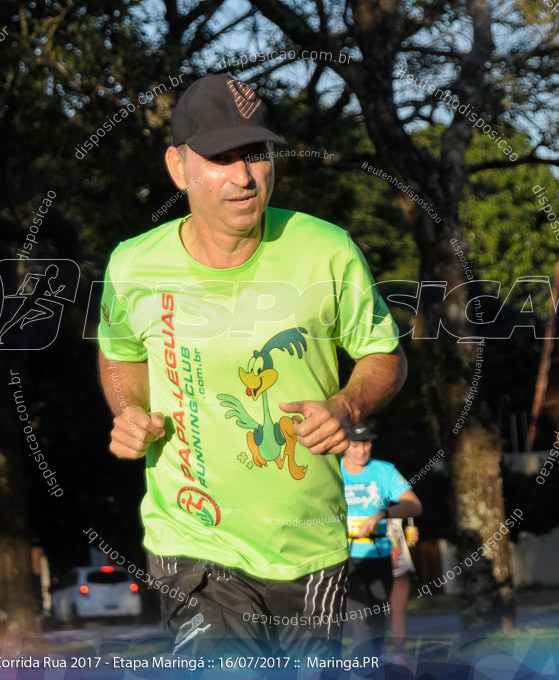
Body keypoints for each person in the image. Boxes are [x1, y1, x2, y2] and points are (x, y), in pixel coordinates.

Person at [97, 73, 406, 659]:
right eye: (220, 158)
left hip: (308, 546)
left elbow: (382, 353)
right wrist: (128, 409)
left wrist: (347, 404)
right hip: (192, 539)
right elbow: (120, 352)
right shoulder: (134, 265)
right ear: (178, 167)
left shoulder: (327, 249)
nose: (242, 178)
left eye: (256, 156)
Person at [341, 423, 421, 660]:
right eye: (355, 444)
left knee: (376, 627)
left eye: (366, 443)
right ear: (344, 445)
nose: (362, 450)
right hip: (347, 559)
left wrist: (382, 514)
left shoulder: (384, 471)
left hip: (380, 557)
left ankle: (374, 671)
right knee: (362, 623)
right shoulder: (334, 473)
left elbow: (414, 505)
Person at [387, 516, 418, 662]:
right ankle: (376, 653)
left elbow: (412, 508)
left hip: (400, 570)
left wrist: (410, 540)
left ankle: (398, 655)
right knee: (381, 615)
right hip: (378, 570)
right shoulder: (365, 513)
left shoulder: (396, 516)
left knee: (399, 614)